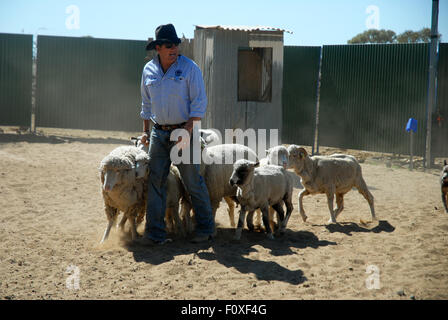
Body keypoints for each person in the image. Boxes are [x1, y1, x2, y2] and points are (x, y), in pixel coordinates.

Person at [138, 23, 214, 245]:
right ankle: (155, 234)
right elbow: (145, 104)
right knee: (156, 181)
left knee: (192, 181)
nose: (174, 49)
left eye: (176, 45)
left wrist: (188, 131)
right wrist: (144, 132)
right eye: (169, 45)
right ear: (158, 47)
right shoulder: (148, 71)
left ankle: (206, 228)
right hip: (158, 133)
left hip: (185, 131)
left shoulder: (190, 69)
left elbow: (199, 103)